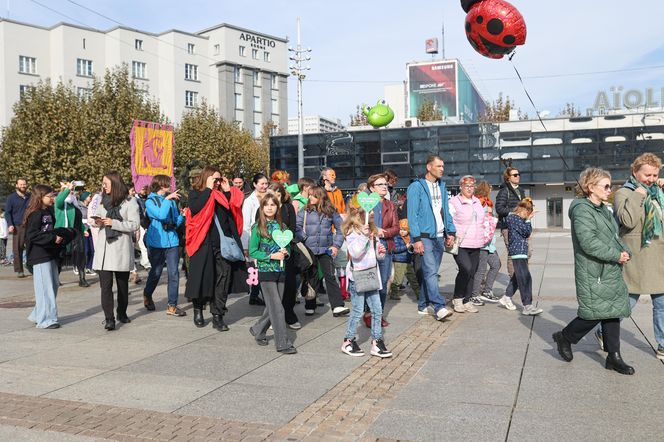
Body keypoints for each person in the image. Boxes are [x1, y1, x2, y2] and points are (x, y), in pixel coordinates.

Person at [553, 167, 634, 375]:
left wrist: (625, 251)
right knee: (593, 312)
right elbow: (588, 243)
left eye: (610, 185)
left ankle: (614, 357)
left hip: (610, 269)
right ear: (590, 187)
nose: (610, 189)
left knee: (612, 312)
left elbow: (614, 237)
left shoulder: (602, 209)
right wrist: (616, 255)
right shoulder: (582, 209)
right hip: (594, 270)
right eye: (606, 186)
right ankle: (566, 336)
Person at [607, 153, 664, 360]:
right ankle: (605, 332)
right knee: (627, 303)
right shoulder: (624, 192)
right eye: (646, 174)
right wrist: (640, 193)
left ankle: (663, 345)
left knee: (662, 304)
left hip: (659, 255)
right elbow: (627, 220)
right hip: (637, 256)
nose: (650, 178)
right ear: (634, 172)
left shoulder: (659, 193)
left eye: (654, 174)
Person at [184, 166, 244, 331]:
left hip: (222, 246)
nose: (218, 182)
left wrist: (227, 191)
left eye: (220, 179)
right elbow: (196, 208)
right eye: (214, 179)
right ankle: (198, 309)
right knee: (202, 280)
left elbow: (231, 214)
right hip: (202, 244)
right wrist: (209, 189)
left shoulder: (223, 195)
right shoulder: (196, 193)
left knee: (222, 280)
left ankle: (218, 315)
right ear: (207, 178)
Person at [406, 155, 455, 320]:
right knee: (431, 273)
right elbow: (412, 215)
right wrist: (416, 239)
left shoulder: (442, 186)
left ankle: (422, 305)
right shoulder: (416, 187)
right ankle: (439, 306)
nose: (442, 169)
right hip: (424, 237)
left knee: (430, 273)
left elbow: (446, 211)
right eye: (439, 166)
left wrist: (451, 232)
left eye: (443, 166)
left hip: (440, 236)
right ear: (429, 167)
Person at [341, 198, 392, 358]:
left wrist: (380, 252)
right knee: (357, 310)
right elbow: (355, 254)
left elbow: (375, 256)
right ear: (359, 214)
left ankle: (377, 341)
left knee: (377, 310)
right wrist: (364, 236)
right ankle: (348, 341)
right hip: (358, 277)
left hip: (371, 275)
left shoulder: (372, 232)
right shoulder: (352, 232)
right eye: (369, 212)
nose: (372, 214)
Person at [248, 193, 297, 354]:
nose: (269, 207)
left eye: (273, 204)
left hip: (280, 271)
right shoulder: (257, 227)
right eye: (266, 205)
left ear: (278, 207)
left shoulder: (282, 227)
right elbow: (253, 251)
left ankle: (258, 329)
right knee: (278, 309)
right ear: (262, 208)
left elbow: (288, 247)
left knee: (272, 307)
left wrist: (285, 252)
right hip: (265, 271)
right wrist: (270, 256)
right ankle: (282, 343)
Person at [92, 171, 140, 331]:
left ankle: (121, 312)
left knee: (122, 286)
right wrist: (97, 222)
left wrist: (114, 223)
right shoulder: (102, 200)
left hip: (120, 247)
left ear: (115, 183)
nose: (103, 186)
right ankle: (109, 318)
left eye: (106, 183)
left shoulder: (130, 201)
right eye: (102, 183)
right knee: (105, 286)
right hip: (104, 248)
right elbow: (97, 218)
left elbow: (134, 225)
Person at [296, 186, 349, 317]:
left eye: (313, 195)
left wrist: (336, 245)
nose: (310, 197)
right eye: (309, 195)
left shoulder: (331, 211)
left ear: (320, 196)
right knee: (310, 277)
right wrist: (304, 237)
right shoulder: (305, 210)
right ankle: (310, 304)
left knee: (330, 276)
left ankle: (337, 306)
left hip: (327, 249)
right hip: (309, 249)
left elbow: (341, 228)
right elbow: (296, 226)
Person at [24, 185, 67, 329]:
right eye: (50, 196)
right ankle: (46, 320)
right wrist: (52, 238)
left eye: (53, 195)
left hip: (50, 253)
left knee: (53, 285)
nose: (53, 198)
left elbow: (49, 230)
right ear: (40, 197)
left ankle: (38, 314)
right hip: (39, 255)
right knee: (45, 288)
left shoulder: (48, 211)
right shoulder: (35, 214)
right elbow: (32, 235)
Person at [142, 175, 186, 317]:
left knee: (174, 273)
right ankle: (147, 294)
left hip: (172, 242)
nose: (171, 186)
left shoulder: (171, 202)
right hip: (157, 242)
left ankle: (172, 306)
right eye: (168, 183)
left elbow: (174, 223)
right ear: (161, 185)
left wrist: (182, 216)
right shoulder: (150, 201)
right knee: (156, 272)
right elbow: (160, 215)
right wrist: (167, 200)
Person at [363, 174, 398, 328]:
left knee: (383, 283)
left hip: (385, 245)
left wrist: (384, 233)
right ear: (372, 188)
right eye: (380, 184)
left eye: (385, 184)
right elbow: (356, 222)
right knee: (369, 281)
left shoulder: (390, 205)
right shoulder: (364, 203)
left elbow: (396, 228)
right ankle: (368, 313)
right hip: (368, 246)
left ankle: (378, 314)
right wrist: (371, 229)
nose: (385, 186)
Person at [448, 176, 486, 314]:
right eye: (466, 186)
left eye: (472, 186)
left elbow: (482, 220)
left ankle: (467, 300)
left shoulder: (477, 202)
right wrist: (450, 235)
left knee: (472, 272)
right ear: (461, 187)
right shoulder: (453, 202)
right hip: (461, 243)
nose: (469, 188)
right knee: (466, 268)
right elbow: (448, 221)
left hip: (476, 242)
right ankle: (457, 298)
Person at [499, 198, 543, 315]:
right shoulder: (514, 218)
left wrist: (527, 219)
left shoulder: (516, 219)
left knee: (518, 277)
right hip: (517, 252)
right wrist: (528, 220)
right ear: (523, 210)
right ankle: (527, 305)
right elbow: (526, 232)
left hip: (521, 251)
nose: (527, 216)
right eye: (527, 213)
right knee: (525, 278)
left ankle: (506, 297)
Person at [268, 182, 301, 330]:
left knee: (289, 285)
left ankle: (289, 314)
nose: (274, 198)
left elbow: (293, 229)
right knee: (272, 287)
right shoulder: (264, 208)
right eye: (271, 194)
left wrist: (285, 244)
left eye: (278, 195)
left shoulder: (288, 208)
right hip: (270, 253)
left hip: (286, 252)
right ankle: (272, 317)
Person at [471, 181, 501, 303]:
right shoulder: (480, 202)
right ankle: (474, 295)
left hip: (489, 243)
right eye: (490, 188)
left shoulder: (487, 202)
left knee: (496, 264)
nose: (491, 190)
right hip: (482, 242)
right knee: (481, 269)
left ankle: (487, 290)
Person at [54, 182, 89, 287]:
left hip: (77, 233)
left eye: (73, 190)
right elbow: (59, 200)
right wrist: (67, 189)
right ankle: (55, 279)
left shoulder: (75, 204)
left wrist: (84, 229)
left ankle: (82, 279)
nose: (72, 192)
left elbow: (78, 219)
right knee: (60, 257)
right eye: (70, 190)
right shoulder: (60, 204)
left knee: (80, 255)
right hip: (64, 233)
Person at [242, 172, 269, 306]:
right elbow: (246, 224)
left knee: (264, 267)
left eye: (266, 183)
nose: (264, 186)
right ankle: (256, 294)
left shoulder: (271, 196)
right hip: (256, 237)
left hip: (269, 237)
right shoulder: (249, 201)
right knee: (257, 268)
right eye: (262, 184)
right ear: (254, 184)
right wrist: (245, 245)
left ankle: (256, 294)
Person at [495, 167, 528, 277]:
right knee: (512, 252)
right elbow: (499, 208)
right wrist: (514, 212)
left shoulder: (521, 190)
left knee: (528, 251)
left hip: (521, 225)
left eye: (518, 174)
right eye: (514, 175)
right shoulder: (504, 191)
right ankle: (514, 278)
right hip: (508, 227)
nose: (517, 176)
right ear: (508, 178)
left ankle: (519, 274)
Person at [5, 178, 31, 277]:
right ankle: (19, 270)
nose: (23, 186)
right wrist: (10, 224)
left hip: (29, 226)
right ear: (16, 185)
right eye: (21, 184)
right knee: (17, 249)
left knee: (31, 246)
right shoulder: (11, 198)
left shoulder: (30, 196)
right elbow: (7, 213)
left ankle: (31, 266)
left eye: (24, 184)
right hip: (17, 226)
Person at [389, 219, 420, 301]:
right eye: (401, 229)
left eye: (404, 230)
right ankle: (394, 293)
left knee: (413, 279)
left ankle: (419, 294)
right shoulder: (397, 237)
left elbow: (412, 249)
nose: (402, 232)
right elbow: (394, 249)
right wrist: (405, 247)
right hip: (399, 260)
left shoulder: (410, 238)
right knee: (398, 279)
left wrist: (413, 248)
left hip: (408, 260)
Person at [79, 191, 95, 275]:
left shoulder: (91, 206)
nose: (91, 198)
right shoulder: (79, 206)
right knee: (85, 250)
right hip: (84, 231)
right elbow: (78, 219)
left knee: (92, 250)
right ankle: (80, 267)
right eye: (89, 196)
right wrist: (84, 228)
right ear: (84, 198)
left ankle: (89, 267)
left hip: (91, 230)